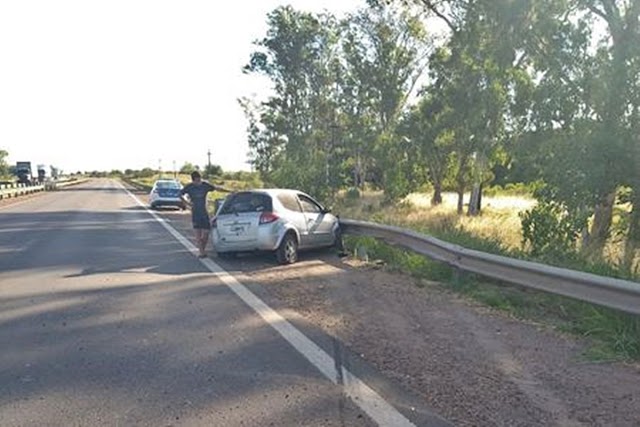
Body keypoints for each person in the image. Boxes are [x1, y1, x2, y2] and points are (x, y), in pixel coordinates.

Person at [180, 171, 228, 258]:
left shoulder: (205, 185)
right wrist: (187, 203)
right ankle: (201, 252)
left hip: (204, 211)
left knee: (206, 232)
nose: (199, 182)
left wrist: (228, 191)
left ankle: (202, 247)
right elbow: (180, 194)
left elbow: (216, 188)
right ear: (193, 180)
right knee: (198, 232)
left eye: (199, 180)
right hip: (195, 212)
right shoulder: (189, 187)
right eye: (197, 181)